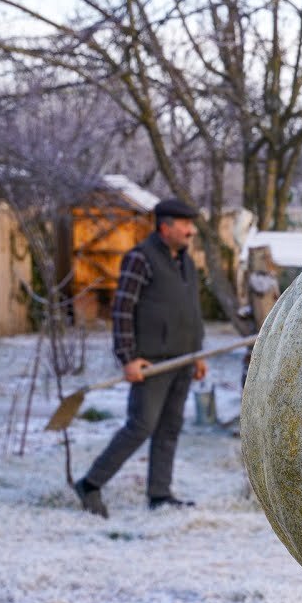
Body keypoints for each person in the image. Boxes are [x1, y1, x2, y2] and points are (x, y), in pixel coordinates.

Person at [74, 198, 207, 518]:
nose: (191, 231)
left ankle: (159, 493)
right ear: (165, 227)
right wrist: (128, 358)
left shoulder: (186, 262)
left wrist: (198, 354)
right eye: (185, 224)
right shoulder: (140, 259)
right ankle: (90, 484)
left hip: (183, 359)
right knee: (140, 426)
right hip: (151, 362)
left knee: (170, 428)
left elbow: (191, 310)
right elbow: (122, 311)